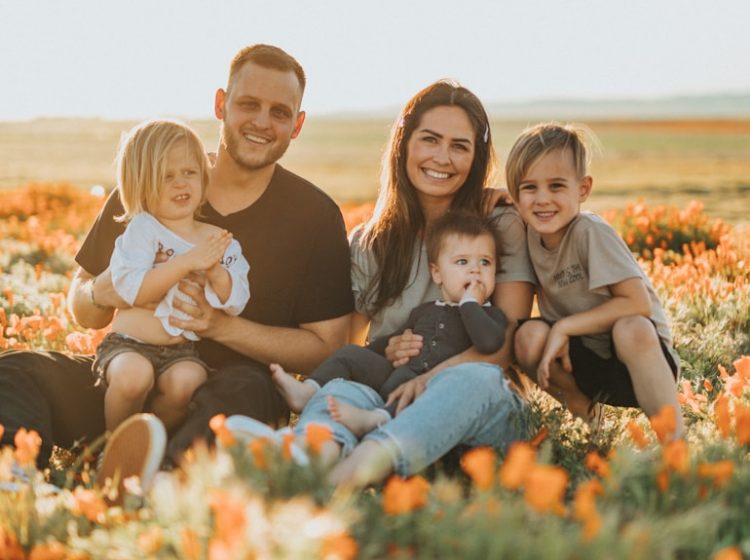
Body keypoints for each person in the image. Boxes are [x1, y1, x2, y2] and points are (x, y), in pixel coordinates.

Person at [0, 45, 353, 487]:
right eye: (248, 104)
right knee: (18, 371)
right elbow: (83, 302)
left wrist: (219, 327)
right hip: (127, 384)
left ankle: (160, 481)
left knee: (249, 390)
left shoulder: (313, 216)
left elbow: (326, 346)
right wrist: (101, 293)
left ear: (297, 125)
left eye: (279, 112)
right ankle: (14, 482)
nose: (262, 122)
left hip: (220, 397)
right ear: (221, 104)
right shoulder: (154, 181)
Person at [228, 80, 535, 487]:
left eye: (459, 146)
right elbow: (344, 346)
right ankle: (306, 457)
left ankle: (344, 478)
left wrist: (429, 378)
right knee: (342, 389)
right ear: (404, 144)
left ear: (476, 157)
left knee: (470, 380)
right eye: (430, 140)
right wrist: (385, 350)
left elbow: (505, 346)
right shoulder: (371, 242)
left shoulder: (498, 225)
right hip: (389, 399)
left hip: (479, 408)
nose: (442, 157)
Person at [507, 122, 684, 438]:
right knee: (526, 336)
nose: (542, 199)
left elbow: (637, 303)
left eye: (557, 186)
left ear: (583, 189)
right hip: (584, 363)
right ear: (515, 195)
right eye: (530, 188)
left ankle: (674, 443)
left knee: (631, 327)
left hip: (638, 361)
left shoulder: (590, 232)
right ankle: (589, 420)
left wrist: (564, 326)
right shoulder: (528, 236)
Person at [271, 210, 508, 434]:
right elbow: (390, 341)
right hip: (397, 375)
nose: (476, 271)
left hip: (434, 388)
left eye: (485, 262)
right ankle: (308, 391)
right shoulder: (424, 311)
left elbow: (488, 342)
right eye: (463, 262)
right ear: (437, 273)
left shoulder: (491, 316)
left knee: (411, 391)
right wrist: (380, 351)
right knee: (350, 354)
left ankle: (376, 419)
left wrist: (470, 304)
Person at [97, 119, 250, 433]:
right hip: (128, 344)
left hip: (180, 351)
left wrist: (216, 273)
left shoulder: (219, 239)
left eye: (189, 173)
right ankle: (113, 446)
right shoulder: (142, 229)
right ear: (140, 184)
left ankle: (153, 444)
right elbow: (134, 291)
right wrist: (186, 262)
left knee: (187, 382)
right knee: (132, 377)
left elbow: (236, 301)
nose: (181, 184)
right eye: (166, 176)